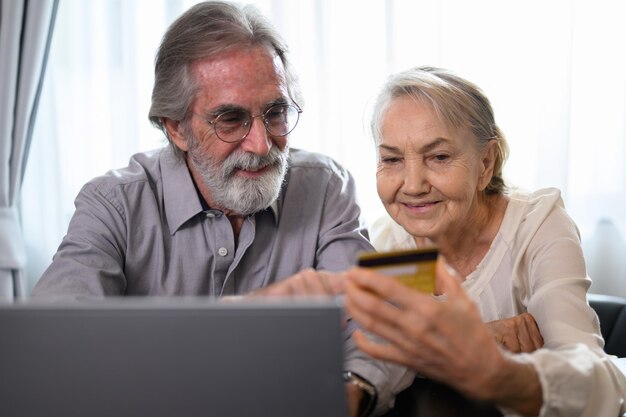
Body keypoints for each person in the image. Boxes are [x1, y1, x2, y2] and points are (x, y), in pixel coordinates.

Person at [31, 2, 413, 416]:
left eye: (276, 113)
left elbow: (377, 323)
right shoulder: (113, 205)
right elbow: (55, 342)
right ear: (175, 128)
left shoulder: (323, 187)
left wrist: (352, 391)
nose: (261, 145)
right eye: (230, 120)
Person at [342, 66, 626, 416]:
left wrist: (497, 372)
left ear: (486, 163)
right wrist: (480, 336)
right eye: (392, 159)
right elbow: (384, 359)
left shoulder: (536, 226)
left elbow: (598, 381)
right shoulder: (389, 241)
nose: (412, 184)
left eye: (440, 157)